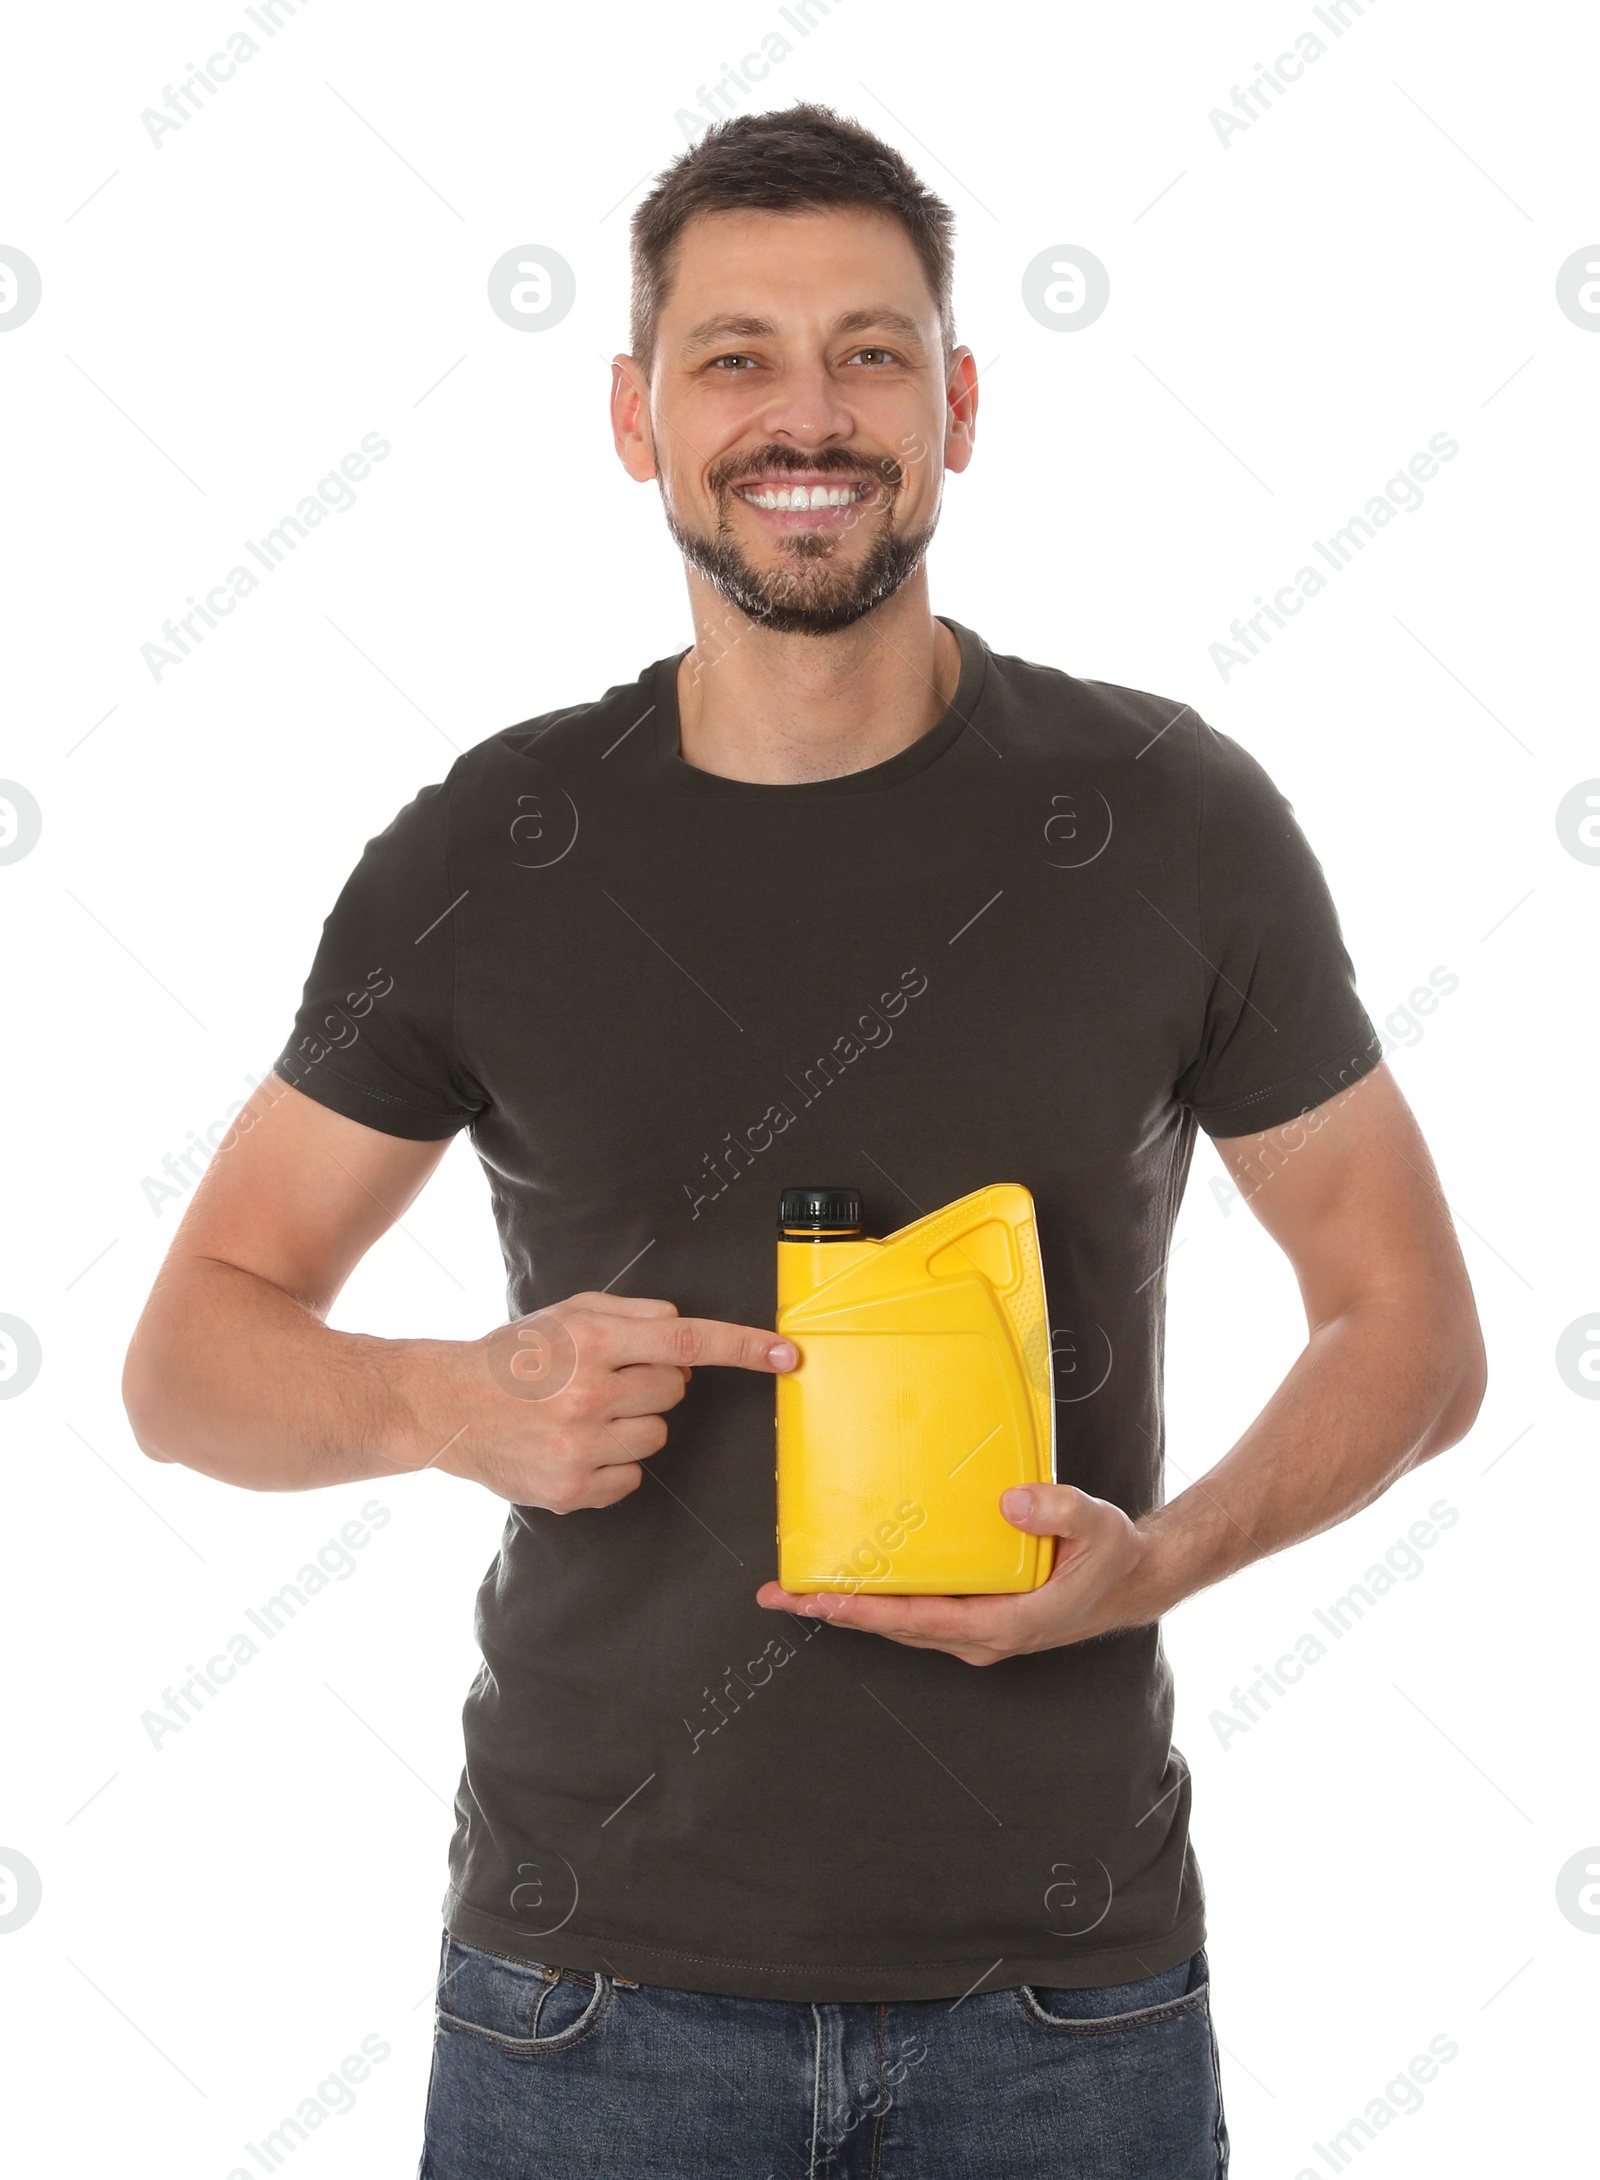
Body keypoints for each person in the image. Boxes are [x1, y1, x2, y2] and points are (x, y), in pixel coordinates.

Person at [122, 101, 1486, 2180]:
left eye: (867, 351)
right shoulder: (491, 848)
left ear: (952, 404)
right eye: (732, 355)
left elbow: (1406, 1327)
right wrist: (448, 1396)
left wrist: (1163, 1561)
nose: (804, 413)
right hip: (588, 1998)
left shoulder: (1166, 815)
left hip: (1065, 1994)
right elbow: (188, 1356)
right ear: (632, 413)